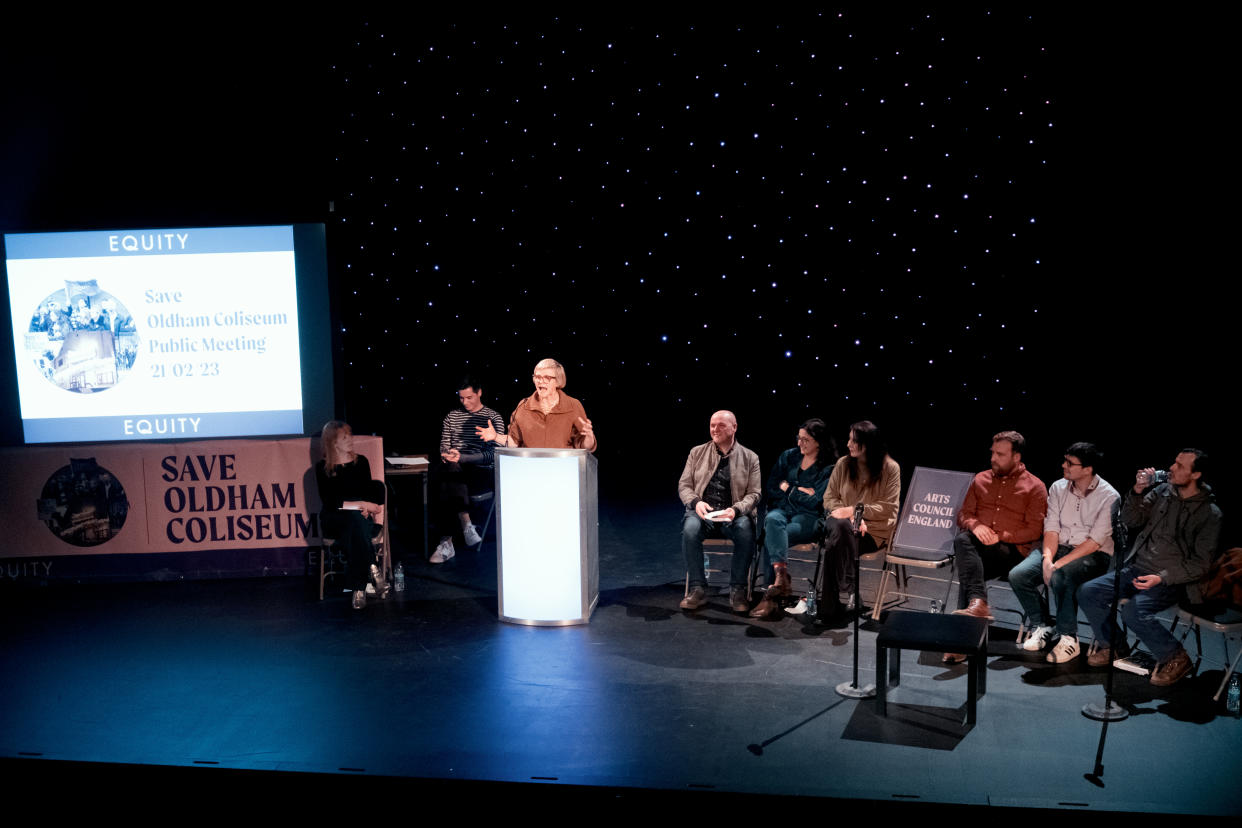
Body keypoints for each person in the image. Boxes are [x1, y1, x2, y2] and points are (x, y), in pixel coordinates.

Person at [1080, 449, 1222, 686]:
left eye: (1180, 465)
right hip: (1138, 567)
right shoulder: (1162, 492)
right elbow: (1130, 520)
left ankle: (1176, 656)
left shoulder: (1210, 514)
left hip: (1171, 579)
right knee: (1088, 592)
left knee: (1134, 611)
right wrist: (1137, 491)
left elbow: (1201, 564)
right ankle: (1115, 645)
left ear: (1196, 474)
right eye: (1174, 463)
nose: (1172, 468)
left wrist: (1161, 578)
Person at [1009, 442, 1119, 663]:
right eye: (1065, 460)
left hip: (1093, 556)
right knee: (1018, 575)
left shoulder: (1109, 496)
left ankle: (1069, 638)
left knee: (1062, 576)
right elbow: (1051, 528)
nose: (1063, 465)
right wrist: (1048, 559)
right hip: (1058, 547)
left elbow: (1095, 542)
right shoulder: (1058, 487)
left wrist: (1057, 566)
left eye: (1070, 463)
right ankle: (1044, 624)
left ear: (1088, 469)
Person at [944, 430, 1046, 663]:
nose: (993, 458)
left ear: (1016, 457)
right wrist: (976, 525)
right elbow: (964, 515)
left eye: (1000, 455)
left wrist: (1000, 536)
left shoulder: (1035, 487)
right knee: (966, 547)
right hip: (980, 550)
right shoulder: (981, 479)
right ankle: (976, 607)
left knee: (967, 559)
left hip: (1012, 554)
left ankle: (962, 639)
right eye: (993, 453)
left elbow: (1035, 530)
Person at [812, 420, 901, 620]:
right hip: (840, 523)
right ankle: (851, 586)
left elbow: (889, 508)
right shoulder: (843, 464)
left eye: (854, 440)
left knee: (834, 543)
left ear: (868, 443)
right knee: (842, 527)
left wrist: (856, 512)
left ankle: (828, 609)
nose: (848, 444)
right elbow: (829, 498)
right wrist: (852, 516)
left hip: (872, 531)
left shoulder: (891, 468)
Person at [749, 419, 835, 619]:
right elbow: (771, 487)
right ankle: (780, 578)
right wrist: (800, 493)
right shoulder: (788, 456)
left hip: (810, 518)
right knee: (772, 520)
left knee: (775, 536)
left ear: (818, 442)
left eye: (805, 440)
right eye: (799, 438)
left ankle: (770, 596)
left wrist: (789, 488)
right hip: (783, 510)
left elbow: (816, 502)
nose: (799, 443)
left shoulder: (830, 467)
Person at [678, 410, 762, 612]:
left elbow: (754, 494)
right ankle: (698, 588)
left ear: (734, 427)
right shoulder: (696, 452)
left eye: (721, 425)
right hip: (703, 514)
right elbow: (684, 485)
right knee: (690, 529)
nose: (715, 429)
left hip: (733, 515)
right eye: (712, 425)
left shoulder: (750, 457)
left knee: (745, 530)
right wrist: (695, 501)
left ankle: (738, 589)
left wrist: (735, 510)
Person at [431, 377, 507, 564]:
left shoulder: (493, 417)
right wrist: (449, 456)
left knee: (447, 478)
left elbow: (494, 454)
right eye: (461, 398)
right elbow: (444, 447)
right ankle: (466, 524)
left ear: (479, 392)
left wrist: (463, 458)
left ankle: (446, 544)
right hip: (455, 468)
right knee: (449, 470)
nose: (465, 402)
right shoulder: (452, 416)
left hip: (481, 471)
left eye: (469, 397)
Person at [316, 420, 386, 609]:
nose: (350, 439)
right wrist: (361, 504)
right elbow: (332, 503)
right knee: (353, 519)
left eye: (350, 435)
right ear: (333, 442)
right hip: (334, 520)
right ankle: (372, 568)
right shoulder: (322, 468)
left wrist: (363, 505)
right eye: (344, 437)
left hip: (359, 519)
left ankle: (358, 588)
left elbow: (371, 496)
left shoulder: (361, 462)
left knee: (355, 522)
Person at [477, 358, 595, 450]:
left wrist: (589, 436)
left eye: (547, 377)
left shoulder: (573, 405)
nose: (541, 381)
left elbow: (584, 447)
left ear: (558, 381)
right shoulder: (523, 407)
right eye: (537, 377)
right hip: (531, 470)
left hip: (563, 470)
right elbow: (515, 442)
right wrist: (496, 436)